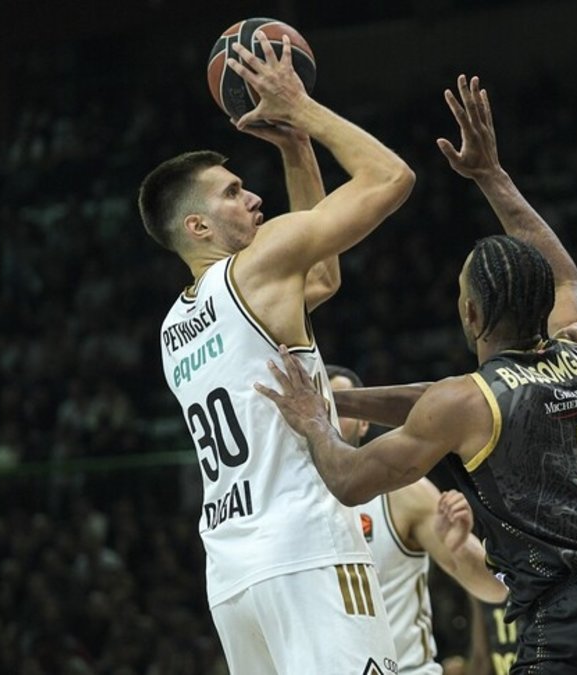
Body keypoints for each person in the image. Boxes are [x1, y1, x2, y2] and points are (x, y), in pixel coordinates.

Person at [255, 74, 577, 674]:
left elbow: (351, 480)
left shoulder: (466, 401)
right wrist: (492, 175)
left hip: (572, 619)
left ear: (469, 313)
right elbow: (564, 278)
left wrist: (314, 420)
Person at [138, 31, 414, 674]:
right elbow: (390, 178)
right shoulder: (257, 267)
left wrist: (295, 150)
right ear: (198, 227)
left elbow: (320, 280)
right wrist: (301, 110)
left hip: (234, 572)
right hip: (309, 550)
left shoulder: (174, 324)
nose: (253, 197)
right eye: (233, 192)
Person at [327, 365, 508, 675]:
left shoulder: (402, 493)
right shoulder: (282, 504)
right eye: (321, 403)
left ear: (363, 423)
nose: (328, 413)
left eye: (336, 404)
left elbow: (495, 589)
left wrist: (460, 545)